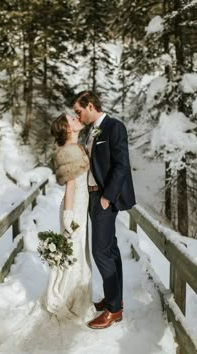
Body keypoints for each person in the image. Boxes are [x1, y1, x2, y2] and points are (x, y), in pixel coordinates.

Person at [72, 90, 136, 329]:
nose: (77, 115)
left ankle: (113, 311)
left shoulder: (114, 127)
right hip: (92, 197)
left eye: (78, 111)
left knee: (100, 252)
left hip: (103, 197)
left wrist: (107, 197)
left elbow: (122, 165)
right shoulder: (91, 131)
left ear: (90, 106)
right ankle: (114, 300)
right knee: (110, 249)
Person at [45, 112, 96, 322]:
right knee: (73, 253)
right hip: (73, 208)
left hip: (81, 207)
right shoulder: (68, 151)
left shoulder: (78, 147)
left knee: (80, 251)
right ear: (67, 129)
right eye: (72, 120)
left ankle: (77, 295)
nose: (77, 119)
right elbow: (71, 186)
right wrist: (68, 215)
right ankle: (68, 298)